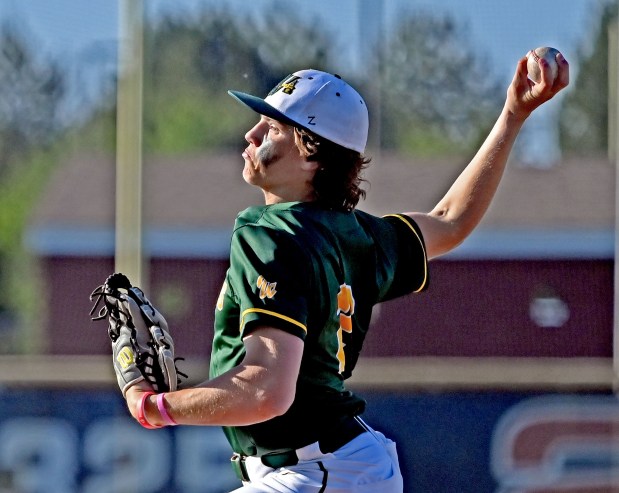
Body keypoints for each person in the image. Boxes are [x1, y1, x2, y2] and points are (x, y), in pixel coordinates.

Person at [122, 52, 569, 492]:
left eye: (273, 128)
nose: (251, 133)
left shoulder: (269, 234)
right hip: (337, 468)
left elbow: (266, 391)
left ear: (313, 155)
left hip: (316, 472)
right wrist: (513, 115)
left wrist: (154, 406)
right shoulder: (355, 236)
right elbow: (450, 221)